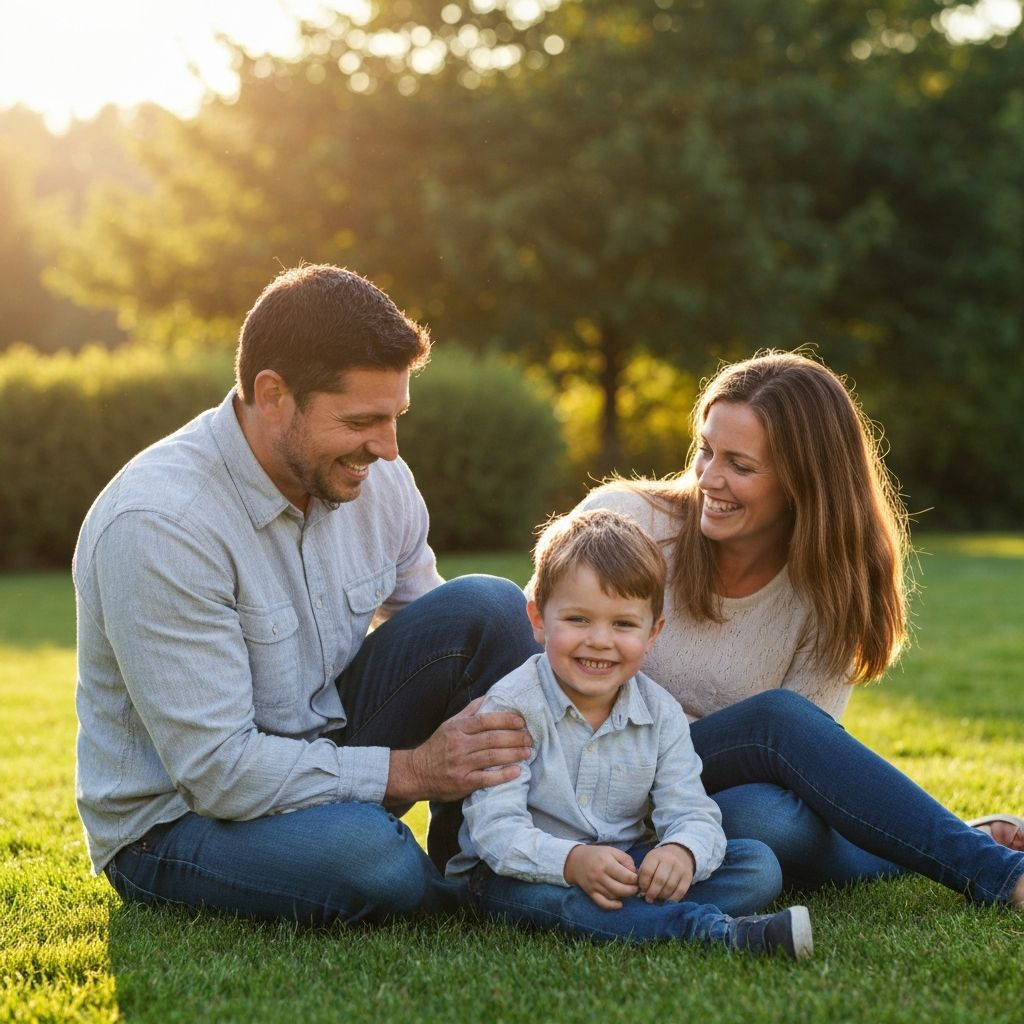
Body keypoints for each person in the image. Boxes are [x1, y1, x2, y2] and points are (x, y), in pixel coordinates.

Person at [73, 264, 540, 926]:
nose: (386, 448)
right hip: (180, 822)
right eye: (362, 420)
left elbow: (452, 652)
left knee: (490, 608)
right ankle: (468, 896)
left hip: (324, 744)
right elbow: (218, 772)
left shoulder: (376, 477)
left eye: (396, 416)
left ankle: (500, 857)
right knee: (372, 862)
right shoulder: (160, 525)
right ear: (273, 396)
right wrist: (411, 772)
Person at [576, 349, 1024, 907]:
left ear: (804, 482)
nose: (709, 479)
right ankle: (997, 870)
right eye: (706, 451)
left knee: (769, 818)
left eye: (740, 466)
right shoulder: (626, 520)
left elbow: (806, 778)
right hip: (581, 760)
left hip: (699, 795)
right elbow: (534, 659)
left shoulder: (829, 591)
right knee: (776, 725)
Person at [447, 508, 814, 958]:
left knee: (757, 866)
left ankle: (626, 916)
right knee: (559, 898)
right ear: (539, 619)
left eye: (622, 624)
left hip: (623, 864)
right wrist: (572, 863)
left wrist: (681, 852)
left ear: (652, 632)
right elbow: (496, 832)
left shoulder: (660, 713)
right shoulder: (512, 707)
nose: (600, 640)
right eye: (578, 619)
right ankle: (715, 932)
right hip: (514, 875)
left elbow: (693, 811)